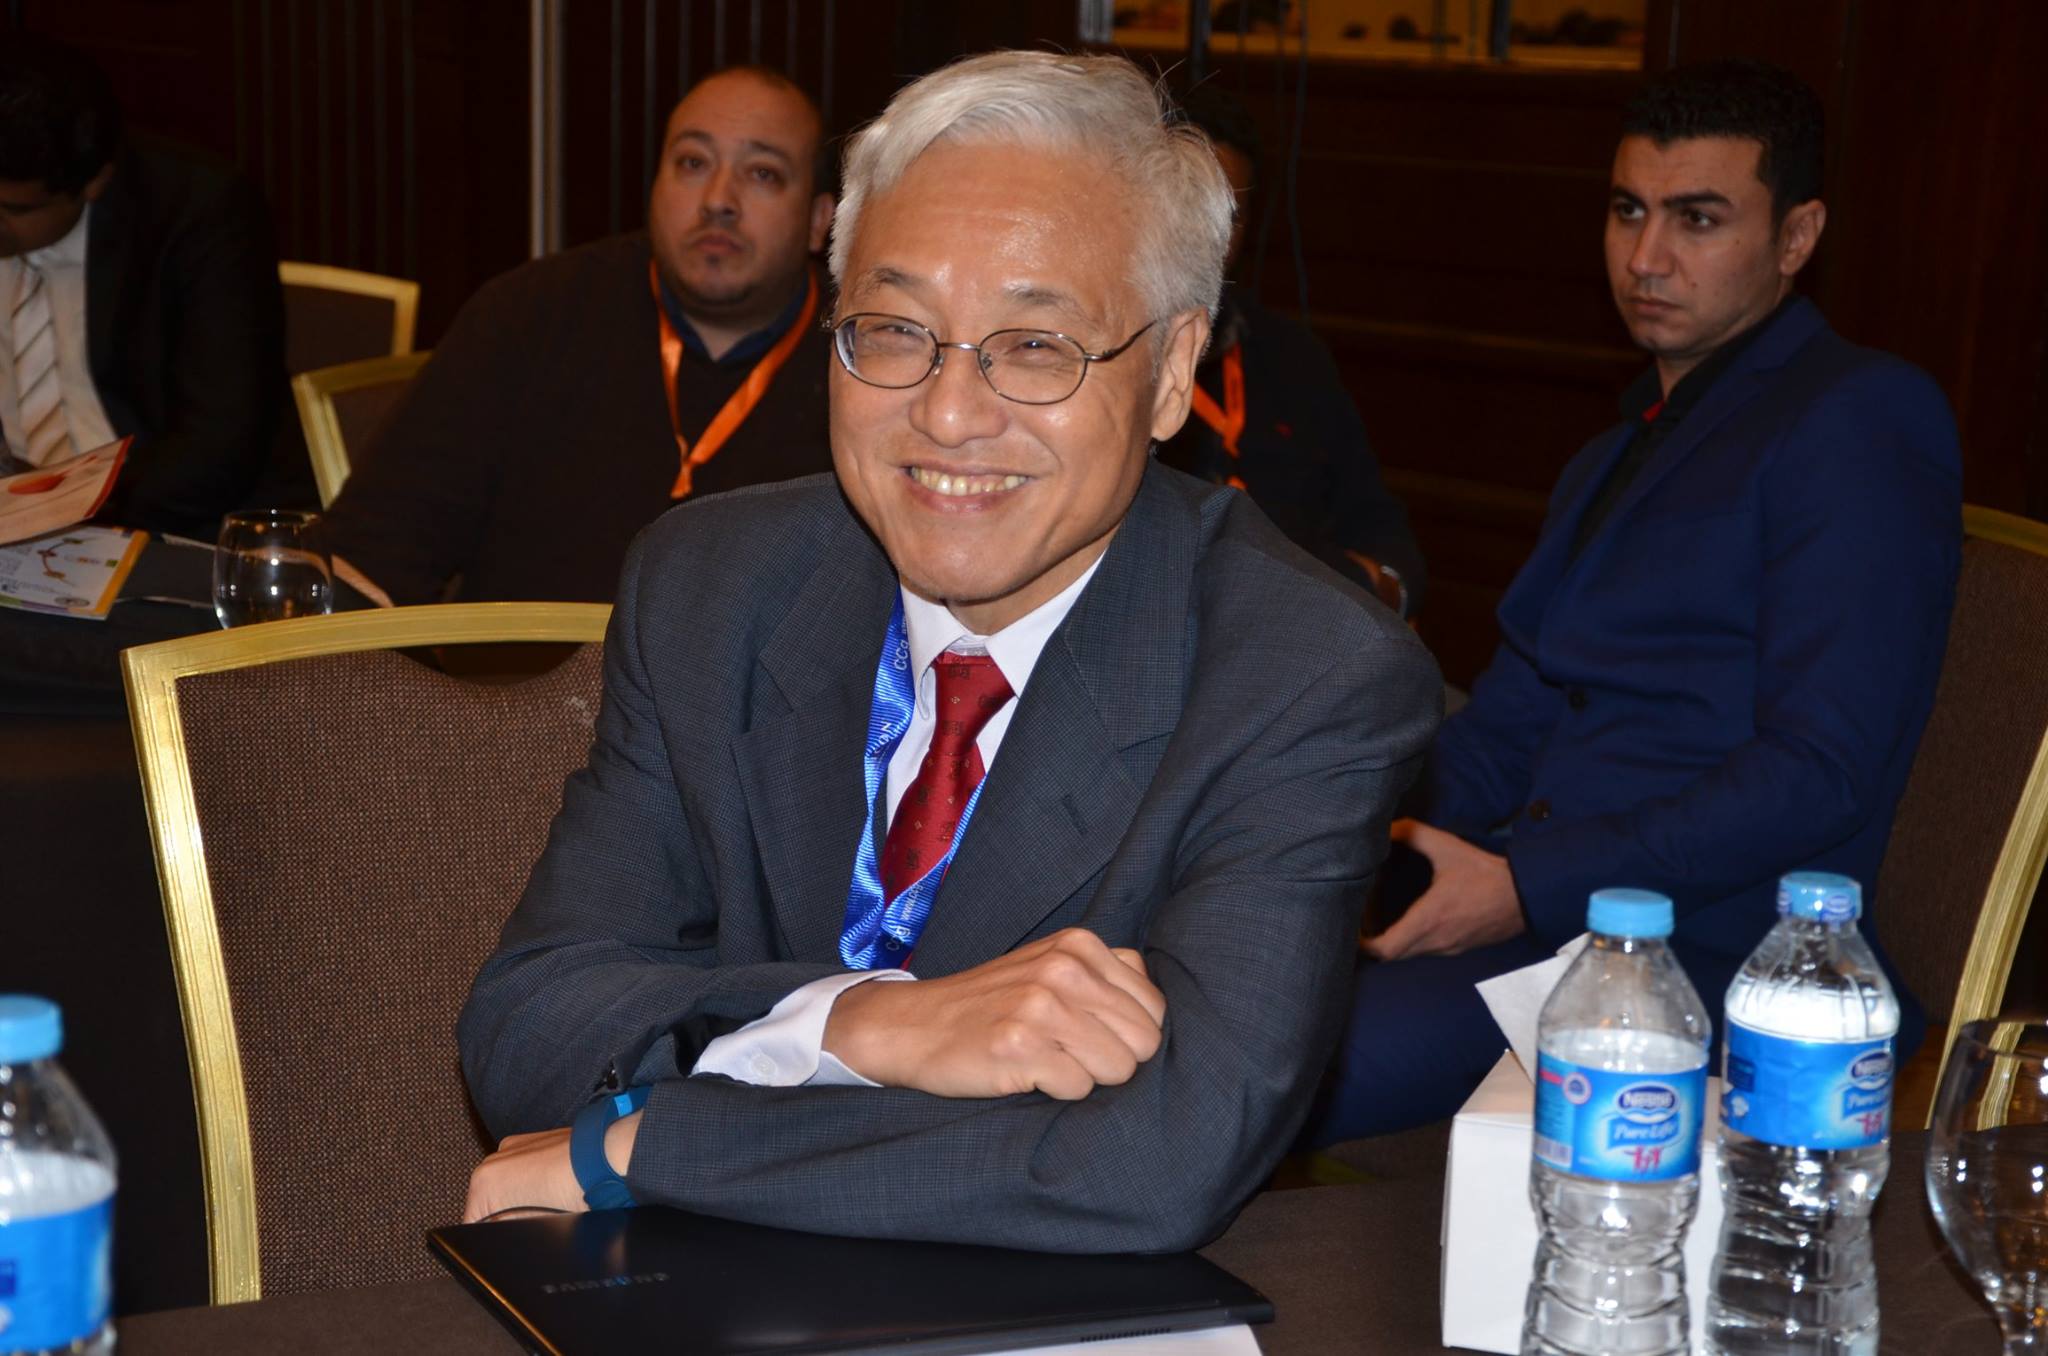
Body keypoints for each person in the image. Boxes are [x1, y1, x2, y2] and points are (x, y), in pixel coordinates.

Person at [456, 50, 1440, 1251]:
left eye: (1034, 346)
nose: (947, 413)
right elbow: (527, 1030)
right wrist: (861, 1024)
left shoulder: (1302, 673)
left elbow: (1154, 1162)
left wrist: (637, 1147)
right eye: (894, 330)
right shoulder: (712, 584)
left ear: (1171, 373)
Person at [1305, 59, 1960, 1144]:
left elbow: (1818, 770)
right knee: (1209, 995)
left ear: (1795, 237)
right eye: (1626, 211)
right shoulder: (1617, 449)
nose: (1646, 258)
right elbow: (1515, 715)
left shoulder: (1856, 416)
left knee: (1269, 1070)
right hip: (1556, 919)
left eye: (1697, 219)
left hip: (1713, 956)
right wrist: (1336, 828)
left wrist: (1527, 885)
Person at [322, 65, 837, 607]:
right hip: (516, 662)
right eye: (692, 162)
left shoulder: (863, 357)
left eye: (762, 173)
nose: (717, 199)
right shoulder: (528, 313)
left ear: (818, 220)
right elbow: (368, 554)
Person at [0, 36, 289, 538]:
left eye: (15, 210)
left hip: (160, 521)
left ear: (95, 181)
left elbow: (217, 449)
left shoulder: (199, 213)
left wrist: (57, 507)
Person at [1157, 83, 1425, 617]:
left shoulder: (1291, 356)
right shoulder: (1110, 362)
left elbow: (1382, 531)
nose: (1209, 236)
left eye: (1230, 216)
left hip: (1308, 623)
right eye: (1189, 207)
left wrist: (1381, 588)